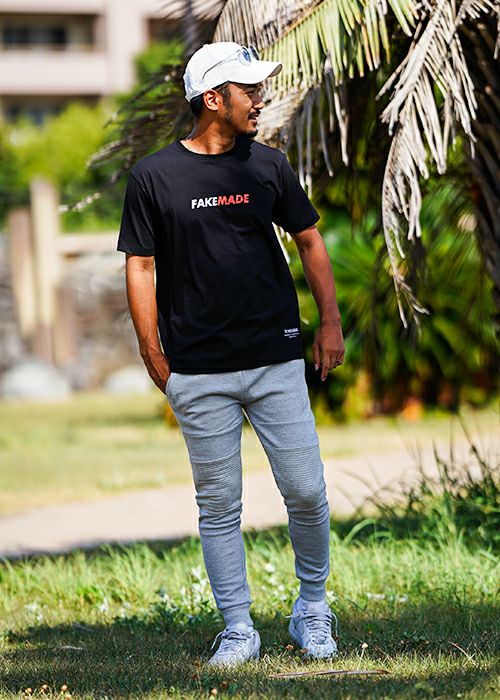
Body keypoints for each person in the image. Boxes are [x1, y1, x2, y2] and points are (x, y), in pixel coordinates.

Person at [117, 41, 345, 667]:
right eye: (249, 90)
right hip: (197, 370)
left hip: (275, 358)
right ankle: (238, 628)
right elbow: (140, 265)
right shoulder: (154, 176)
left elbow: (309, 240)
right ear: (213, 99)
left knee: (306, 491)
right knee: (219, 505)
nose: (260, 99)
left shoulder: (267, 166)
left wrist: (329, 323)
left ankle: (312, 608)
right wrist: (151, 350)